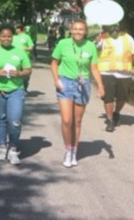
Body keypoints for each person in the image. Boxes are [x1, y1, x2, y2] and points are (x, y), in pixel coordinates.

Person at [51, 19, 105, 168]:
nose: (78, 32)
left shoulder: (91, 46)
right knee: (67, 120)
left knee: (77, 121)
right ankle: (68, 149)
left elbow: (94, 68)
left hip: (83, 84)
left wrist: (100, 85)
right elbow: (54, 63)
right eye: (75, 29)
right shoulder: (63, 43)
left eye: (81, 29)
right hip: (65, 83)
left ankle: (74, 150)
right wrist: (56, 80)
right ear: (71, 30)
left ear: (85, 31)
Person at [0, 26, 32, 165]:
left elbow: (28, 69)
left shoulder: (20, 52)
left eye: (9, 36)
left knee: (15, 120)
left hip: (16, 89)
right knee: (1, 119)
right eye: (3, 36)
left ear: (12, 37)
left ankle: (14, 148)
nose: (6, 39)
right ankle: (2, 147)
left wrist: (19, 74)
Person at [96, 24, 134, 132]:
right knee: (108, 97)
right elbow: (94, 49)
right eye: (112, 25)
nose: (114, 28)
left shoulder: (127, 37)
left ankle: (116, 113)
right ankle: (110, 120)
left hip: (124, 73)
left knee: (122, 97)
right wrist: (96, 40)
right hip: (107, 72)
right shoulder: (102, 37)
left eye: (116, 25)